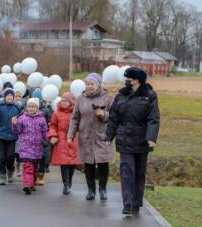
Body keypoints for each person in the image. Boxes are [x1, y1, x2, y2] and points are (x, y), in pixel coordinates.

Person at [105, 67, 160, 216]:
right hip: (125, 139)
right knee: (127, 172)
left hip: (142, 141)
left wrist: (151, 138)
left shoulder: (150, 95)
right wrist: (109, 137)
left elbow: (153, 119)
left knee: (139, 173)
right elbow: (113, 118)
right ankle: (127, 204)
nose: (126, 80)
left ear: (137, 80)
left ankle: (136, 203)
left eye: (128, 77)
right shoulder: (120, 96)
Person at [67, 73, 115, 201]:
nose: (89, 86)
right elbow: (75, 118)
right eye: (87, 84)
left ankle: (103, 189)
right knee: (88, 164)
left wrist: (103, 114)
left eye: (92, 84)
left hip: (103, 136)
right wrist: (70, 135)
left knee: (103, 163)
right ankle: (91, 190)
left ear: (98, 85)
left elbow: (115, 117)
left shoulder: (108, 98)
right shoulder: (80, 99)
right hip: (85, 137)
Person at [12, 98, 48, 195]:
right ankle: (27, 185)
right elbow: (17, 131)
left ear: (37, 107)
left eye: (33, 106)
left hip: (37, 147)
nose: (31, 108)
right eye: (29, 106)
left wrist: (48, 139)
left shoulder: (41, 118)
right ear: (26, 107)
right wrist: (14, 124)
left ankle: (32, 184)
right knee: (28, 166)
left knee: (35, 166)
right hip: (25, 146)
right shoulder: (22, 118)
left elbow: (45, 131)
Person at [48, 92, 81, 195]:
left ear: (71, 102)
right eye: (62, 100)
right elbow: (52, 126)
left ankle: (69, 181)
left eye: (66, 101)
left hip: (73, 140)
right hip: (61, 140)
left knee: (72, 164)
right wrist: (53, 135)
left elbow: (81, 125)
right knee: (64, 164)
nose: (64, 102)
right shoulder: (56, 113)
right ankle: (66, 185)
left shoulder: (76, 113)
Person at [0, 88, 21, 185]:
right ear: (4, 97)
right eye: (7, 95)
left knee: (10, 156)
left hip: (12, 136)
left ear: (13, 97)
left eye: (11, 96)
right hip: (1, 135)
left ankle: (10, 171)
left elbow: (21, 120)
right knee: (2, 157)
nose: (9, 97)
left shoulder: (16, 107)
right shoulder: (0, 106)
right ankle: (2, 176)